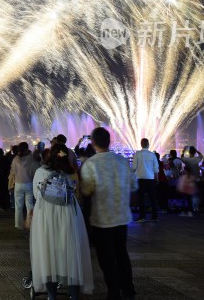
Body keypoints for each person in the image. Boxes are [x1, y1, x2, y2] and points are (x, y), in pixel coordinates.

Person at [30, 144, 93, 300]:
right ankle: (74, 294)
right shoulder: (71, 173)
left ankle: (51, 295)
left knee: (48, 252)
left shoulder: (40, 172)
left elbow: (37, 195)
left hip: (45, 214)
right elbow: (78, 193)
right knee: (71, 252)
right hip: (69, 213)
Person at [80, 127, 137, 300]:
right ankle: (128, 289)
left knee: (106, 259)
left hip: (101, 219)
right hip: (121, 217)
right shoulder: (121, 161)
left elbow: (87, 190)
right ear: (109, 141)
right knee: (122, 254)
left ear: (93, 143)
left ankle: (113, 292)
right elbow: (134, 186)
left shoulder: (91, 164)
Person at [11, 142, 38, 230]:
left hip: (18, 184)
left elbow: (12, 172)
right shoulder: (32, 159)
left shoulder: (15, 159)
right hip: (29, 184)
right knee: (29, 205)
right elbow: (35, 172)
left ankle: (18, 225)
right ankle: (30, 224)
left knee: (18, 206)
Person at [132, 138, 160, 222]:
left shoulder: (137, 154)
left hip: (140, 178)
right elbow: (156, 168)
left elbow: (133, 167)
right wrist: (157, 179)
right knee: (153, 198)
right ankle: (155, 216)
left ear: (141, 144)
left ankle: (142, 217)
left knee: (141, 198)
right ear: (148, 144)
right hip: (151, 179)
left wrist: (130, 175)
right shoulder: (152, 155)